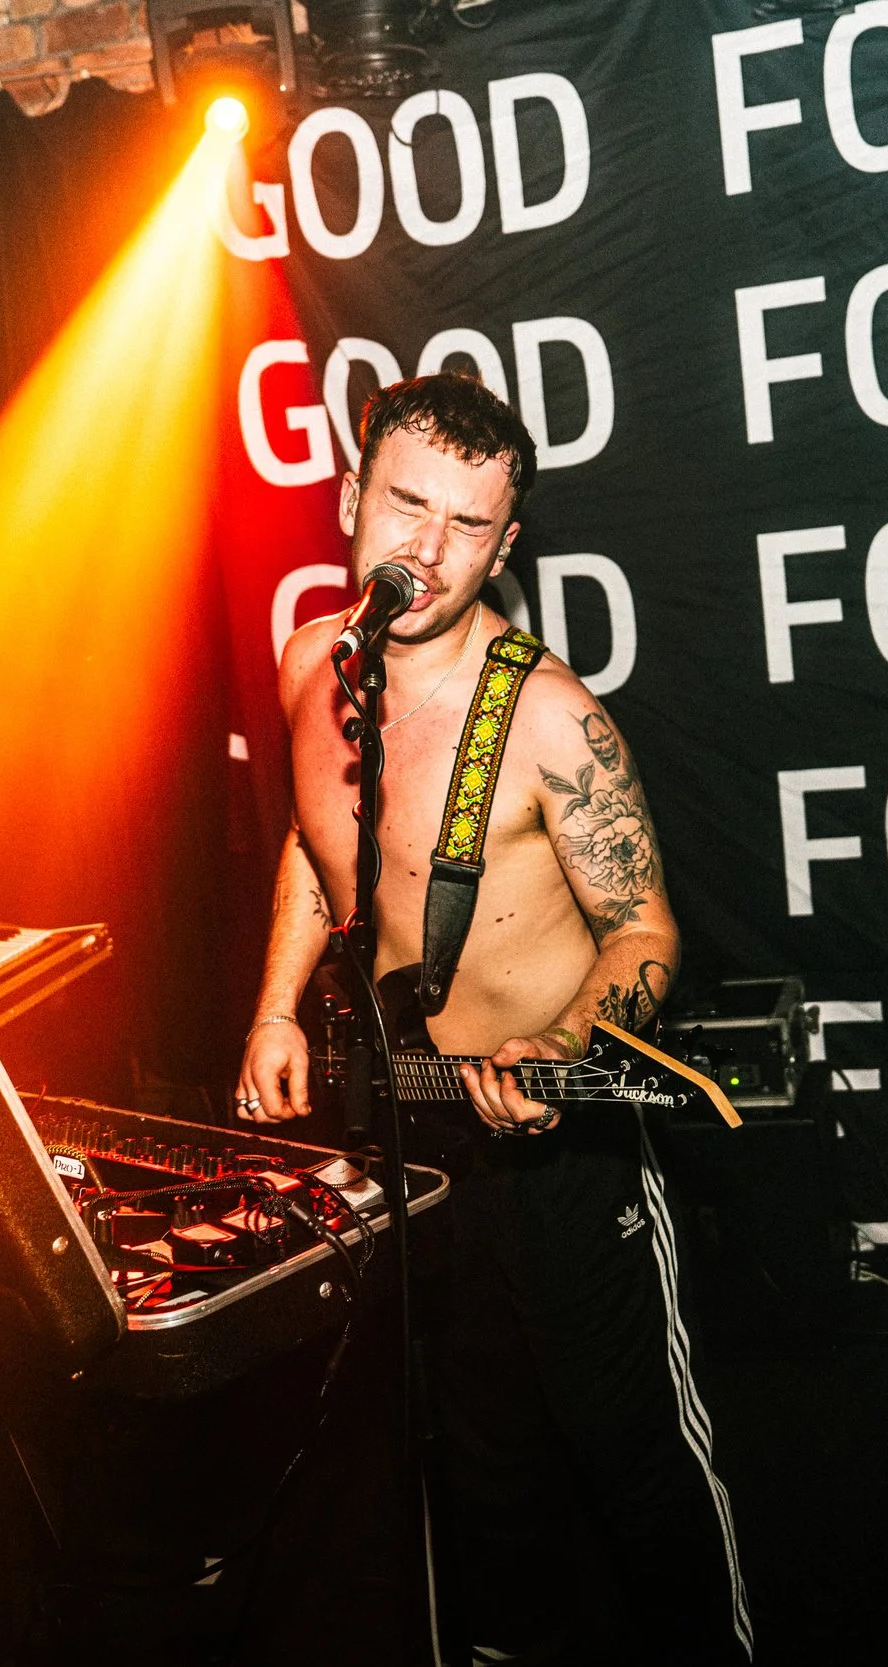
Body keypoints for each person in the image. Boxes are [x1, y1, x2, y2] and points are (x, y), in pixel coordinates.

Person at [235, 373, 752, 1664]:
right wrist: (275, 1012)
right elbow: (315, 844)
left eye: (470, 527)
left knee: (634, 1459)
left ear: (507, 546)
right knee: (470, 1456)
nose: (429, 548)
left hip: (561, 1147)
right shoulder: (312, 663)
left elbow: (646, 931)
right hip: (411, 1140)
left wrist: (568, 1042)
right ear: (351, 499)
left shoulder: (550, 719)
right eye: (407, 505)